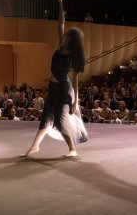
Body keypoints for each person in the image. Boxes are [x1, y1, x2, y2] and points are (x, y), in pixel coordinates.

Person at [21, 18, 88, 158]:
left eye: (67, 35)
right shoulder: (61, 47)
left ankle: (72, 149)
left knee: (58, 120)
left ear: (72, 40)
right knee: (46, 117)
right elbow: (60, 23)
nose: (64, 35)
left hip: (64, 90)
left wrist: (75, 101)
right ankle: (35, 146)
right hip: (53, 87)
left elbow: (75, 81)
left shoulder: (72, 57)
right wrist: (60, 2)